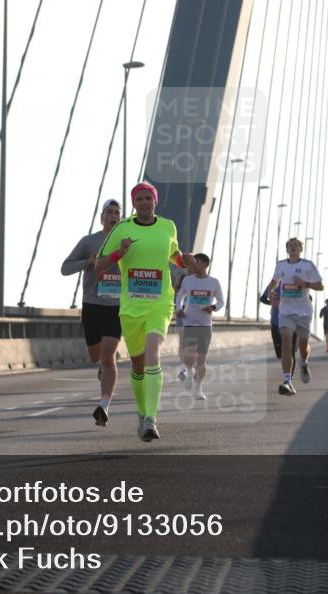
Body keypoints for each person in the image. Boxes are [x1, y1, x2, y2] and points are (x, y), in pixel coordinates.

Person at [96, 182, 197, 442]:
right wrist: (120, 252)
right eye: (139, 199)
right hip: (131, 307)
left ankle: (151, 418)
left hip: (160, 302)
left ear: (155, 201)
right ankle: (142, 413)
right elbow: (99, 265)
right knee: (138, 365)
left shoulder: (168, 226)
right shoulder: (122, 228)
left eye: (147, 198)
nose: (144, 202)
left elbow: (173, 255)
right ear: (133, 203)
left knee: (153, 353)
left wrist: (184, 260)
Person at [61, 199, 123, 427]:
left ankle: (104, 405)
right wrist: (87, 261)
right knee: (96, 356)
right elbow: (65, 268)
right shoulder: (89, 241)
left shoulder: (127, 243)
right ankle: (103, 364)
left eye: (117, 212)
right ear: (102, 217)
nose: (113, 215)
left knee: (108, 357)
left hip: (116, 306)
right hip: (92, 304)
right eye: (109, 212)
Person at [265, 238, 323, 395]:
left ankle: (303, 362)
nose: (292, 248)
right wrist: (271, 290)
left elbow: (320, 285)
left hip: (303, 311)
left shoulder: (307, 265)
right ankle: (287, 381)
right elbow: (274, 280)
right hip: (286, 311)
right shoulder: (281, 265)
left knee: (303, 347)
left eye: (295, 246)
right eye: (290, 246)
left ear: (300, 249)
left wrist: (305, 284)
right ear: (287, 249)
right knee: (286, 342)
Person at [175, 253, 224, 400]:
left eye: (196, 262)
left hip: (205, 325)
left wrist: (213, 307)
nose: (194, 264)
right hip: (189, 322)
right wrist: (179, 309)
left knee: (201, 359)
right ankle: (189, 373)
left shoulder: (214, 282)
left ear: (204, 264)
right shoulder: (188, 281)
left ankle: (198, 388)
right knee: (189, 355)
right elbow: (180, 296)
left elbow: (221, 301)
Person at [260, 283, 296, 378]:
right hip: (276, 321)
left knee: (290, 351)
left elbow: (307, 298)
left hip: (291, 322)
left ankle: (289, 379)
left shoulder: (295, 283)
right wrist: (272, 303)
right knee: (280, 353)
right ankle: (288, 376)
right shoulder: (273, 285)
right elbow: (262, 298)